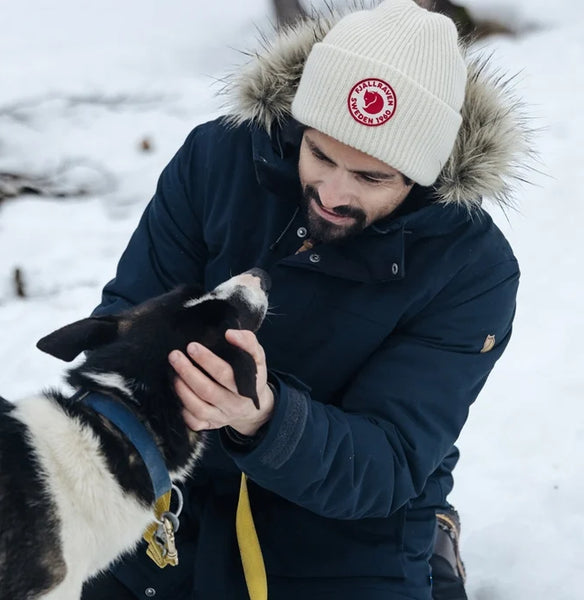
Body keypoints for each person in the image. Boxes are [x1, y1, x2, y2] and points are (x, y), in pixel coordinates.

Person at [81, 0, 530, 598]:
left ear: (424, 173)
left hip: (349, 515)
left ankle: (434, 553)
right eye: (320, 153)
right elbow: (129, 317)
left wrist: (264, 418)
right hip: (178, 474)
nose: (333, 193)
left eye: (373, 177)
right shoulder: (217, 160)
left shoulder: (473, 268)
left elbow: (389, 461)